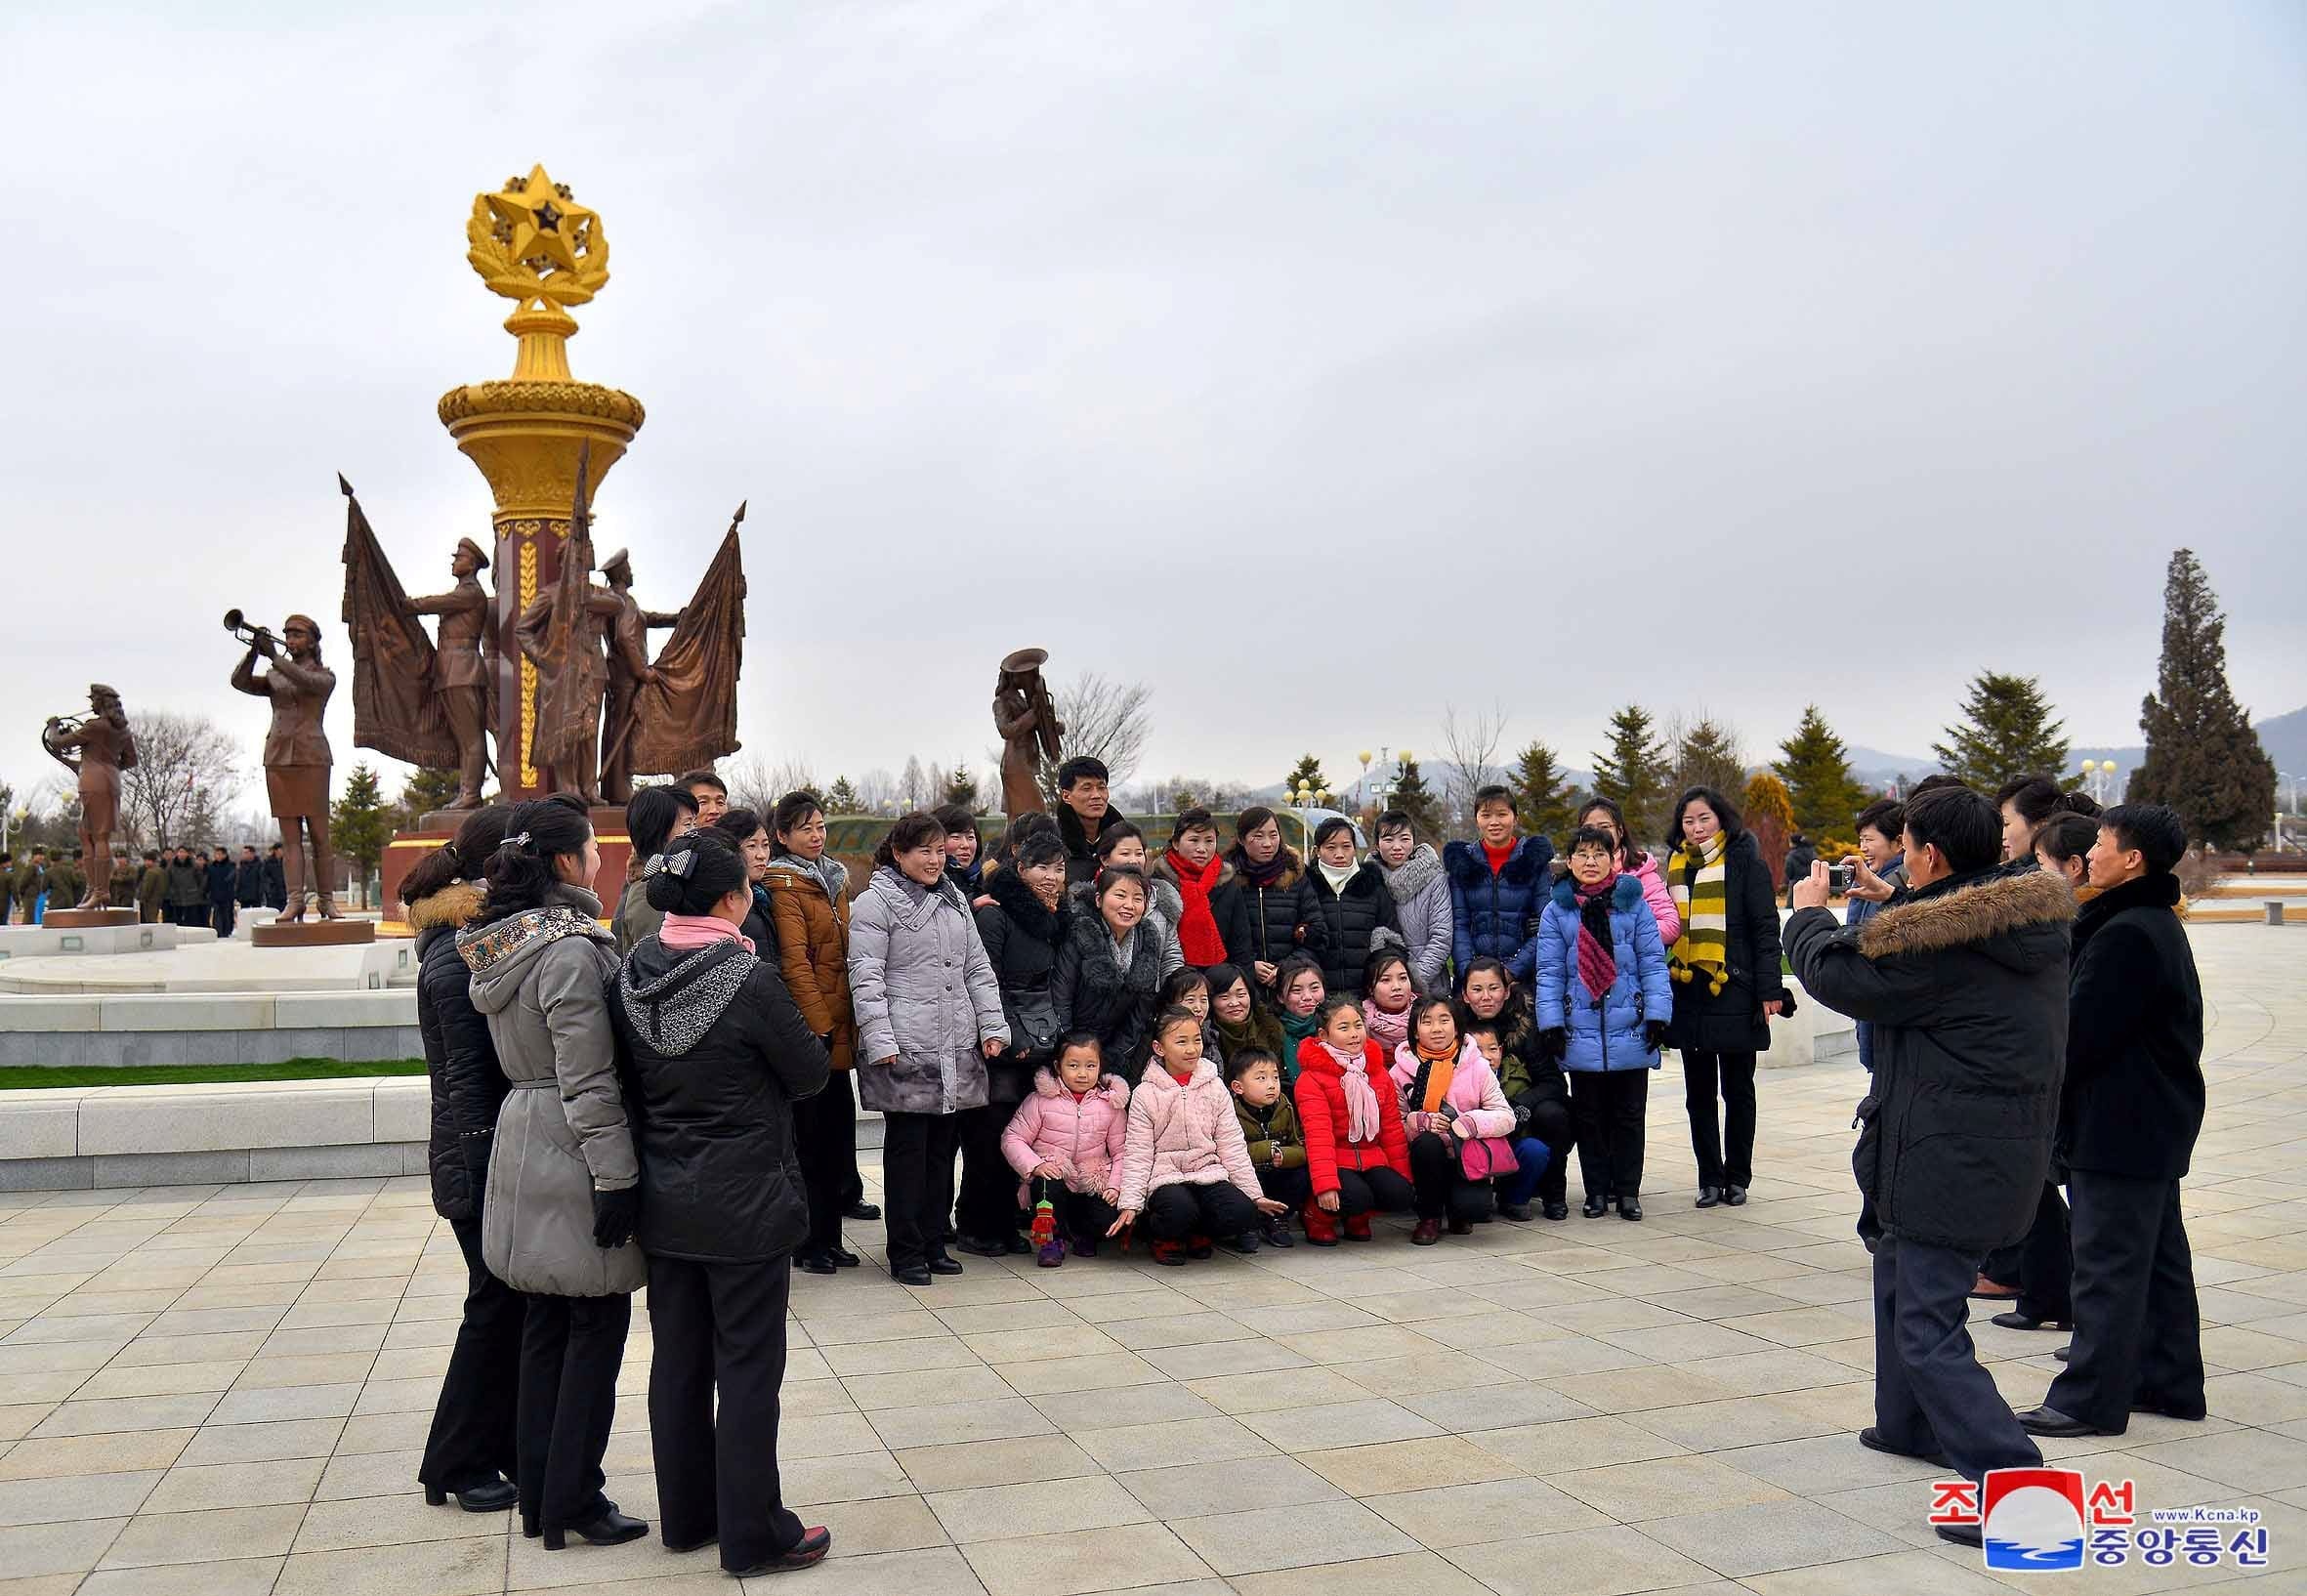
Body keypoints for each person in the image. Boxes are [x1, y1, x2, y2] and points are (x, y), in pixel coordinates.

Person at [1783, 783, 2073, 1530]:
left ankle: (2021, 1492)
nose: (1899, 857)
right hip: (1984, 1146)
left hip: (1949, 1157)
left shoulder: (1942, 943)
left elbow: (1844, 978)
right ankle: (1908, 1425)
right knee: (1898, 1283)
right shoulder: (2007, 917)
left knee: (1925, 1323)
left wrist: (1810, 913)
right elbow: (1921, 945)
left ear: (1931, 855)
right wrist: (1895, 901)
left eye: (1906, 847)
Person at [608, 828, 834, 1576]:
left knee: (676, 1363)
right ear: (734, 898)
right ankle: (754, 1533)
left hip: (664, 1200)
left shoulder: (636, 968)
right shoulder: (748, 978)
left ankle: (690, 1518)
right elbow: (808, 1072)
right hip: (745, 1201)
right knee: (746, 1367)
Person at [456, 794, 647, 1551]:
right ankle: (574, 1497)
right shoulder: (567, 949)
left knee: (544, 1324)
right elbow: (588, 1077)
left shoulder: (508, 942)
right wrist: (616, 1177)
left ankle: (541, 1492)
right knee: (593, 1324)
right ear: (567, 863)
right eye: (594, 851)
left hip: (525, 1133)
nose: (602, 862)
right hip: (570, 1143)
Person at [2018, 804, 2206, 1440]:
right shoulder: (2144, 922)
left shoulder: (2128, 933)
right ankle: (2168, 1381)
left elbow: (2082, 1035)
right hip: (2148, 1122)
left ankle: (2088, 1400)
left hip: (2122, 1126)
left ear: (2134, 859)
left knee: (2105, 1265)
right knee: (2156, 1261)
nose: (2090, 852)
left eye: (2101, 842)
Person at [402, 805, 521, 1517]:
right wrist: (482, 1175)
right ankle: (455, 1460)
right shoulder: (454, 958)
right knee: (492, 1306)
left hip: (481, 1159)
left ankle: (490, 1445)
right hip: (472, 1163)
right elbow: (468, 1084)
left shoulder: (471, 940)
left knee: (503, 1305)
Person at [847, 811, 1010, 1285]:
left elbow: (976, 969)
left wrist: (991, 1027)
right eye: (925, 850)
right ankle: (906, 1249)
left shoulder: (955, 899)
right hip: (906, 1047)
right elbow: (865, 975)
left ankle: (935, 1239)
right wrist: (879, 1038)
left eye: (941, 851)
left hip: (953, 1044)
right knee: (907, 1152)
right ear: (899, 854)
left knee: (943, 1150)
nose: (936, 860)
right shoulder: (876, 904)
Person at [1663, 785, 1792, 1209]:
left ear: (1722, 819)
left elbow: (1764, 931)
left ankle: (1737, 1176)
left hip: (1734, 989)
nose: (1697, 828)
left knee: (1738, 1091)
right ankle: (1709, 1178)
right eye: (1689, 820)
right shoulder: (1677, 866)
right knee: (1698, 1094)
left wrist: (1770, 989)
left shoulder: (1744, 864)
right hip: (1689, 990)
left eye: (1704, 818)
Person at [1537, 825, 1674, 1222]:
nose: (1590, 861)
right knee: (1589, 1118)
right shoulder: (1557, 909)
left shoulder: (1634, 904)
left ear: (1614, 858)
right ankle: (1596, 1191)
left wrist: (1657, 1015)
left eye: (1599, 853)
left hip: (1629, 1026)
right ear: (1570, 861)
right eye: (1582, 854)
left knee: (1630, 1116)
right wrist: (1551, 1024)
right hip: (1579, 1030)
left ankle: (1628, 1191)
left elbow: (1652, 964)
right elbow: (1548, 972)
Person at [763, 790, 868, 1276]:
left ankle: (830, 1237)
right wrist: (820, 1027)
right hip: (814, 1034)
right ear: (782, 836)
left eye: (821, 826)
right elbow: (795, 964)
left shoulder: (833, 879)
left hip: (841, 1026)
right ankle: (809, 1243)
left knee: (836, 1140)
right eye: (805, 827)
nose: (816, 835)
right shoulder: (783, 885)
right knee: (811, 1142)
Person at [960, 831, 1071, 1258]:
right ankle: (975, 1225)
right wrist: (1008, 1036)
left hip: (1037, 1039)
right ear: (1020, 869)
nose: (1051, 876)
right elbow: (985, 982)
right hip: (999, 1042)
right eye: (1041, 867)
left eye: (1058, 868)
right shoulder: (996, 914)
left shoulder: (1054, 917)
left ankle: (1006, 1224)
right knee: (988, 1139)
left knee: (1020, 1140)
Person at [1111, 1007, 1286, 1263]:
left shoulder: (1214, 1085)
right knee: (1179, 1210)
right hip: (1166, 1176)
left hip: (1207, 1171)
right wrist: (1131, 1203)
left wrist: (1253, 1194)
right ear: (1160, 1048)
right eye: (1181, 1042)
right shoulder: (1145, 1094)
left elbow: (1231, 1143)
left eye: (1197, 1040)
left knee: (1243, 1212)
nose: (1192, 1049)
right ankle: (1162, 1236)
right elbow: (1138, 1153)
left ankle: (1197, 1233)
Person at [1390, 995, 1517, 1243]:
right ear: (1415, 1031)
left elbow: (1506, 1116)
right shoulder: (1400, 1071)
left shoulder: (1476, 1066)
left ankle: (1458, 1210)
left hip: (1466, 1154)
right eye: (1427, 1022)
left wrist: (1470, 1123)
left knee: (1474, 1210)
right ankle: (1429, 1217)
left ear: (1457, 1026)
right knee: (1427, 1143)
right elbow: (1394, 1125)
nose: (1436, 1029)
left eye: (1444, 1020)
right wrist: (1420, 1122)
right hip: (1426, 1158)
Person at [1293, 993, 1415, 1244]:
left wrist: (1402, 1176)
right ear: (1323, 1035)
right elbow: (1318, 1136)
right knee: (1355, 1195)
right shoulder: (1311, 1078)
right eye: (1343, 1027)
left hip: (1371, 1156)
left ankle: (1358, 1217)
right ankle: (1316, 1215)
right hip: (1337, 1158)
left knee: (1400, 1194)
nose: (1354, 1034)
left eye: (1358, 1025)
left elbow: (1391, 1129)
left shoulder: (1378, 1072)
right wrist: (1325, 1185)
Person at [1000, 1033, 1130, 1266]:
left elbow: (1122, 1151)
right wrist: (1035, 1165)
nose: (1082, 1073)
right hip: (1054, 1179)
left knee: (1106, 1219)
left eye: (1090, 1066)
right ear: (1058, 1067)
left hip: (1090, 1180)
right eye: (1073, 1065)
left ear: (1100, 1066)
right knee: (1048, 1185)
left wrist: (1114, 1185)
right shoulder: (1040, 1100)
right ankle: (1051, 1239)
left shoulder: (1111, 1104)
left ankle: (1084, 1233)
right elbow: (1013, 1138)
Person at [1053, 864, 1163, 1083]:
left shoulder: (1148, 942)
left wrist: (1116, 1054)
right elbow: (1061, 996)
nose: (1129, 905)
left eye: (1138, 898)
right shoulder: (1082, 934)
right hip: (1070, 1042)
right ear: (1098, 900)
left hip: (1115, 1047)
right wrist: (1072, 1050)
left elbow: (1141, 1012)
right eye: (1120, 895)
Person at [1444, 785, 1555, 986]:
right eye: (1486, 815)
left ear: (1515, 818)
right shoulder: (1463, 863)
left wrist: (1512, 971)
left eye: (1502, 814)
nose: (1494, 822)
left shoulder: (1534, 862)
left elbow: (1546, 925)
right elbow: (1459, 924)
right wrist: (1470, 972)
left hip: (1523, 979)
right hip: (1474, 979)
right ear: (1477, 819)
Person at [1303, 818, 1405, 999]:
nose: (1339, 854)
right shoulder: (1306, 886)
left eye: (1346, 846)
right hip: (1316, 996)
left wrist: (1378, 983)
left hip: (1367, 996)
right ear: (1317, 851)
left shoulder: (1372, 886)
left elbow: (1393, 940)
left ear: (1354, 849)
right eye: (1331, 847)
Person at [1070, 820, 1184, 978]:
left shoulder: (1161, 900)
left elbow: (1171, 955)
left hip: (1149, 997)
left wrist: (1173, 993)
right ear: (1104, 859)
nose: (1134, 860)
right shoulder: (1084, 903)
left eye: (1139, 853)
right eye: (1125, 853)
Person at [1843, 798, 1907, 1072]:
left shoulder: (1895, 883)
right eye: (1861, 840)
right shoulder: (1877, 880)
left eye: (1869, 840)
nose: (1863, 849)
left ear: (1899, 842)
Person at [1225, 806, 1316, 993]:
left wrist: (1287, 968)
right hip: (1243, 989)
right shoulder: (1226, 879)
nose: (1267, 843)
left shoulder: (1296, 876)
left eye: (1273, 835)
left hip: (1292, 988)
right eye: (1258, 836)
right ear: (1242, 839)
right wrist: (1249, 965)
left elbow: (1317, 932)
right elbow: (1221, 937)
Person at [1150, 807, 1248, 974]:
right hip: (1171, 981)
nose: (1202, 848)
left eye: (1209, 841)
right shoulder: (1158, 884)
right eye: (1194, 840)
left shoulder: (1228, 883)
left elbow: (1241, 945)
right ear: (1175, 843)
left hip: (1221, 981)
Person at [1227, 1048, 1304, 1247]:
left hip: (1276, 1171)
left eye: (1275, 1077)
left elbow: (1300, 1144)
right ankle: (1248, 1223)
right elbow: (1228, 1151)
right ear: (1238, 1087)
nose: (1271, 1085)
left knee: (1301, 1175)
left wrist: (1285, 1155)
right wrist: (1265, 1149)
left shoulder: (1284, 1106)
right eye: (1261, 1079)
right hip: (1246, 1172)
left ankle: (1277, 1219)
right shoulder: (1230, 1111)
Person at [1372, 810, 1452, 994]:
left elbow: (1442, 937)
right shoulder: (1368, 880)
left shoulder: (1434, 879)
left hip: (1429, 988)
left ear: (1414, 842)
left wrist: (1414, 981)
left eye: (1404, 839)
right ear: (1377, 844)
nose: (1397, 846)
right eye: (1388, 839)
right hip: (1384, 991)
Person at [613, 785, 699, 954]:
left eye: (695, 824)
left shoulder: (675, 881)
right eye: (687, 824)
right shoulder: (650, 895)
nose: (695, 832)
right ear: (659, 833)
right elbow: (659, 968)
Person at [710, 807, 780, 953]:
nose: (761, 855)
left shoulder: (763, 896)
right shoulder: (722, 903)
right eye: (751, 846)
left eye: (765, 845)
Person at [1054, 756, 1125, 884]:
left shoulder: (1125, 837)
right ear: (1066, 796)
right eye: (1086, 789)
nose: (1096, 795)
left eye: (1101, 787)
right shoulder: (1052, 841)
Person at [1209, 963, 1284, 1071]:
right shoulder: (1206, 1039)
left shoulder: (1270, 1028)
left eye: (1241, 995)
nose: (1234, 1003)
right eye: (1224, 997)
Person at [1271, 955, 1327, 1085]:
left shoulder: (1333, 1026)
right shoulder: (1271, 1032)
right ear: (1280, 997)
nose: (1307, 997)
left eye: (1314, 988)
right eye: (1296, 990)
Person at [1359, 947, 1416, 1059]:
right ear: (1370, 988)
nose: (1397, 987)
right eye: (1385, 980)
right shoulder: (1359, 1022)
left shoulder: (1426, 1014)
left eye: (1403, 978)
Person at [935, 803, 986, 902]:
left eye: (970, 837)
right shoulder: (929, 882)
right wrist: (972, 907)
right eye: (956, 837)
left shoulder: (985, 880)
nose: (965, 845)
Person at [165, 845, 202, 927]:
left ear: (187, 854)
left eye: (184, 852)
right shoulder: (171, 865)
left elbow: (199, 879)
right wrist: (171, 891)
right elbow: (168, 880)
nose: (181, 854)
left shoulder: (194, 865)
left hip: (191, 895)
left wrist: (197, 891)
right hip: (176, 895)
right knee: (178, 919)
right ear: (177, 853)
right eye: (180, 852)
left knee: (191, 919)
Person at [205, 846, 237, 939]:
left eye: (220, 854)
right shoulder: (211, 866)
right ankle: (218, 931)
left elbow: (231, 879)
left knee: (227, 914)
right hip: (215, 895)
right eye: (216, 854)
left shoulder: (231, 866)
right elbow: (208, 880)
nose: (217, 856)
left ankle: (226, 931)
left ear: (224, 855)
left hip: (227, 895)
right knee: (217, 914)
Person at [1783, 832, 1817, 906]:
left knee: (1793, 906)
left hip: (1796, 883)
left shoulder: (1791, 855)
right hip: (1811, 882)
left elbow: (1789, 871)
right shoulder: (1812, 853)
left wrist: (1787, 880)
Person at [135, 850, 167, 924]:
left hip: (150, 901)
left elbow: (147, 888)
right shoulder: (161, 871)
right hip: (158, 899)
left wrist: (141, 897)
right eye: (145, 860)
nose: (145, 862)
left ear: (152, 861)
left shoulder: (150, 872)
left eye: (147, 860)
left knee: (150, 920)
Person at [233, 844, 265, 914]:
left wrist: (260, 894)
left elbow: (262, 881)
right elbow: (238, 880)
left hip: (255, 896)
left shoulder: (260, 865)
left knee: (256, 916)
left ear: (252, 853)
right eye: (243, 853)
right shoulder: (241, 865)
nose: (244, 855)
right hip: (243, 896)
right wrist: (237, 894)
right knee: (245, 916)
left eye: (246, 853)